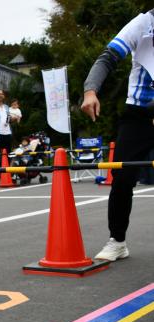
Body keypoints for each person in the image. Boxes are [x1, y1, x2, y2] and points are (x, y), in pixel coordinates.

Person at [81, 8, 154, 261]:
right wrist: (90, 90)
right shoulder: (144, 23)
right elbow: (108, 57)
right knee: (122, 178)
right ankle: (117, 241)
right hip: (139, 114)